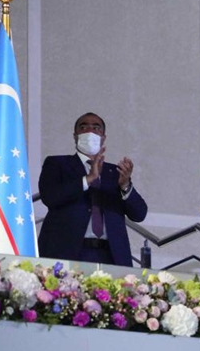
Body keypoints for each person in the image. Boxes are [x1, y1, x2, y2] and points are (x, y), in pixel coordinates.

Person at [38, 113, 148, 266]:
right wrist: (87, 179)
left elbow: (139, 214)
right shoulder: (57, 163)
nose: (90, 131)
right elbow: (50, 197)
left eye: (96, 128)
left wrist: (125, 185)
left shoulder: (115, 172)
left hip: (111, 256)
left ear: (103, 137)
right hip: (66, 251)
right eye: (83, 127)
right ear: (75, 136)